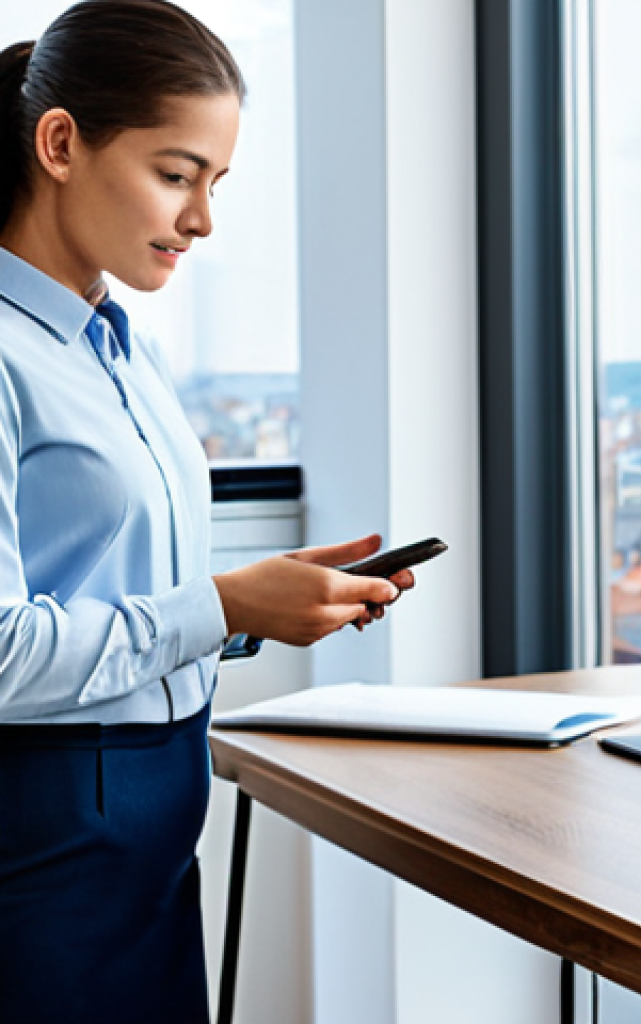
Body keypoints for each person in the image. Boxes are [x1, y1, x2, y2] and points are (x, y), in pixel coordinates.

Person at [0, 3, 412, 1021]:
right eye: (176, 175)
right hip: (46, 831)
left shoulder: (122, 349)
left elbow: (115, 588)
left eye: (215, 184)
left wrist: (271, 604)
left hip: (156, 812)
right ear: (60, 143)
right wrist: (225, 604)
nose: (201, 220)